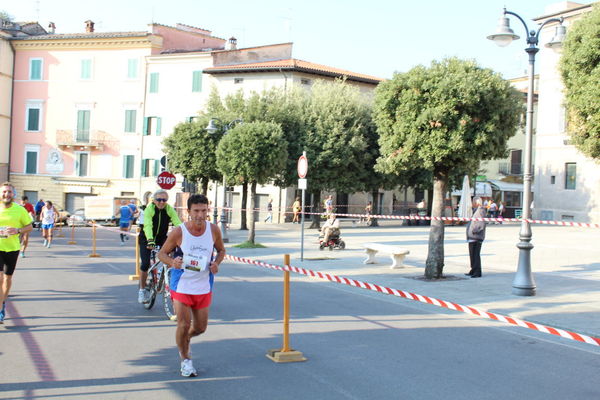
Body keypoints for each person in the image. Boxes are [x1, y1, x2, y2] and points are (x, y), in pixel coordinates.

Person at [158, 194, 225, 377]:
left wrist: (216, 264)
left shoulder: (213, 230)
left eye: (203, 210)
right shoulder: (179, 232)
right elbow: (162, 254)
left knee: (201, 327)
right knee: (183, 324)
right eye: (196, 211)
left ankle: (185, 339)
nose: (200, 215)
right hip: (182, 285)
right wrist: (173, 263)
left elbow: (221, 250)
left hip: (203, 285)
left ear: (208, 211)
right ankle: (185, 360)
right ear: (189, 212)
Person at [138, 189, 182, 304]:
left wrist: (185, 234)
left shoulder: (169, 209)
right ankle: (142, 290)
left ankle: (162, 272)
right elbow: (147, 225)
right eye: (159, 200)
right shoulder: (149, 209)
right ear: (154, 200)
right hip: (146, 238)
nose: (162, 202)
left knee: (174, 253)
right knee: (145, 264)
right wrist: (150, 240)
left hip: (162, 238)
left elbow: (177, 223)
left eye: (164, 200)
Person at [0, 182, 33, 323]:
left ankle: (2, 304)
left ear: (13, 194)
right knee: (0, 278)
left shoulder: (20, 210)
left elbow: (29, 226)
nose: (6, 194)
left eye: (9, 192)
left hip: (13, 249)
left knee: (7, 279)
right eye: (4, 192)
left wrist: (18, 230)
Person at [465, 197, 487, 278]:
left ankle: (477, 271)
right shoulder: (476, 210)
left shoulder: (480, 210)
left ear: (477, 203)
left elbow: (481, 223)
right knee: (472, 254)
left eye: (473, 202)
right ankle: (473, 269)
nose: (472, 203)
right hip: (472, 236)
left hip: (476, 236)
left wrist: (475, 230)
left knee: (476, 254)